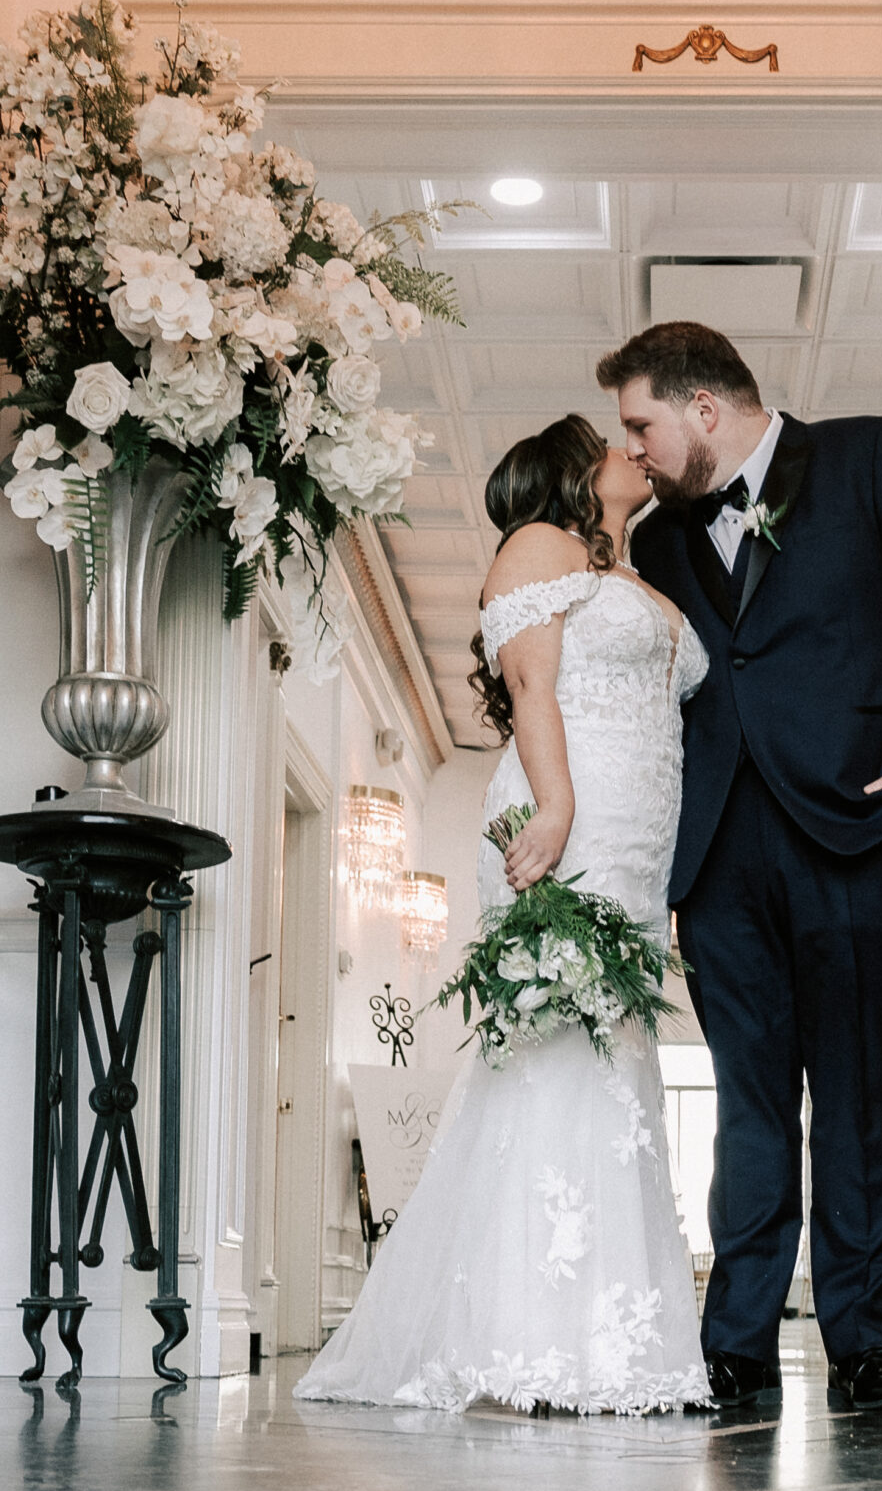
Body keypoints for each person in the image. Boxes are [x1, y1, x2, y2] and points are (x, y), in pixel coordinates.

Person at [598, 323, 882, 1415]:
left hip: (859, 831)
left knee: (861, 1101)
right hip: (720, 853)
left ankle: (863, 1349)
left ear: (705, 409)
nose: (634, 449)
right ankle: (738, 1346)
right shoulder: (664, 542)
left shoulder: (871, 457)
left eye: (642, 425)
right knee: (749, 1107)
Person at [295, 415, 710, 1416]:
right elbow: (531, 683)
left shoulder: (632, 564)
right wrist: (559, 808)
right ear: (573, 475)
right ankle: (526, 1339)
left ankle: (611, 1339)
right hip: (569, 819)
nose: (632, 450)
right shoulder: (540, 544)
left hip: (637, 851)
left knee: (614, 1069)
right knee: (553, 1059)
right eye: (612, 443)